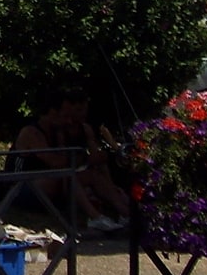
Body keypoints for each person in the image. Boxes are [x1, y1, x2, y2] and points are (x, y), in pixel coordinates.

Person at [9, 88, 130, 233]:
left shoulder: (58, 131)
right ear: (53, 113)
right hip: (21, 188)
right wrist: (85, 159)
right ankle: (94, 217)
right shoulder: (31, 132)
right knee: (66, 174)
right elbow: (56, 163)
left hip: (47, 183)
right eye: (65, 116)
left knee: (92, 175)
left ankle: (125, 212)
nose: (69, 120)